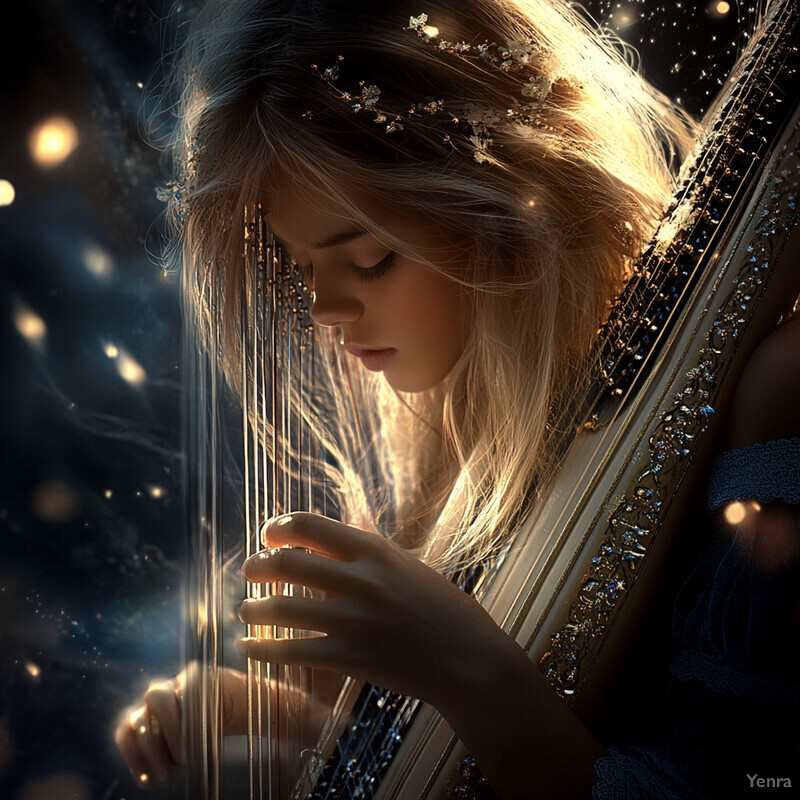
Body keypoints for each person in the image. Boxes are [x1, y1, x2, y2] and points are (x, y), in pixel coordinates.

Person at [114, 0, 800, 797]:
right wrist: (300, 729)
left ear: (507, 204)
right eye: (298, 269)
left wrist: (464, 669)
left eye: (368, 258)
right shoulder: (459, 421)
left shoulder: (775, 393)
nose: (323, 312)